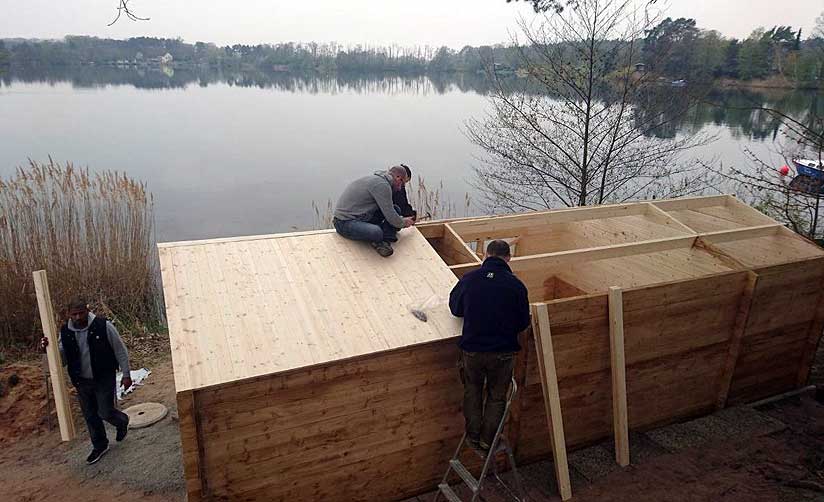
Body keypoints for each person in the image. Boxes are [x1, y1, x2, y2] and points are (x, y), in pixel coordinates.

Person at [448, 240, 530, 451]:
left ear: (486, 255)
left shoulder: (470, 279)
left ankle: (473, 437)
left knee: (472, 391)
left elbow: (455, 309)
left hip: (473, 350)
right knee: (496, 397)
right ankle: (487, 440)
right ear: (508, 258)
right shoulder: (516, 286)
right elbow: (523, 323)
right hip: (503, 353)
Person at [40, 298, 132, 465]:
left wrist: (126, 375)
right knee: (90, 415)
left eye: (81, 313)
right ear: (68, 314)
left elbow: (120, 349)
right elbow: (60, 360)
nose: (77, 317)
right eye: (73, 314)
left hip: (103, 376)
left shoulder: (103, 326)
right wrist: (48, 349)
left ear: (87, 310)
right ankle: (100, 445)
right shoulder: (65, 333)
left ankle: (122, 421)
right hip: (81, 380)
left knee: (105, 411)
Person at [333, 165, 416, 257]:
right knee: (376, 232)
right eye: (401, 183)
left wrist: (400, 220)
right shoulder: (382, 186)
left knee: (396, 209)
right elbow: (391, 217)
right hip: (344, 222)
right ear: (397, 177)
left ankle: (384, 240)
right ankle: (381, 240)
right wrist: (404, 222)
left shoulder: (379, 180)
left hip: (361, 216)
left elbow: (391, 210)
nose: (400, 188)